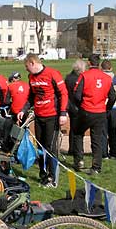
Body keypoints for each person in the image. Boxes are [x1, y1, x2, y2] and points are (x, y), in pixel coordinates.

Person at [17, 53, 68, 187]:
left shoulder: (53, 74)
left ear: (33, 63)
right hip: (39, 116)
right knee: (40, 147)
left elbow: (63, 93)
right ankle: (43, 174)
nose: (26, 70)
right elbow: (31, 97)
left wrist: (63, 113)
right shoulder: (31, 77)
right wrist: (23, 110)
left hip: (52, 116)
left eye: (27, 67)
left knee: (50, 147)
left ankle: (52, 177)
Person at [72, 54, 116, 175]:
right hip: (100, 111)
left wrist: (80, 104)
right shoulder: (107, 78)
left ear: (89, 63)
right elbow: (112, 96)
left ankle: (79, 160)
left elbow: (76, 94)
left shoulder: (84, 76)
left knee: (78, 133)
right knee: (97, 139)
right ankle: (96, 166)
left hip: (86, 109)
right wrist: (107, 108)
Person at [64, 59, 86, 169]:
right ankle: (78, 151)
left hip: (70, 105)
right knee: (78, 131)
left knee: (73, 128)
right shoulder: (81, 78)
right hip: (79, 105)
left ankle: (71, 149)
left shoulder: (68, 77)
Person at [100, 60, 116, 159]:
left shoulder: (100, 78)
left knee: (103, 131)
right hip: (113, 107)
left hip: (102, 107)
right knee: (113, 130)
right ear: (111, 68)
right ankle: (114, 152)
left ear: (102, 68)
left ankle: (104, 153)